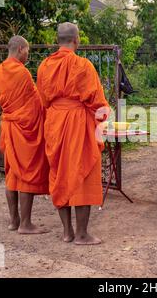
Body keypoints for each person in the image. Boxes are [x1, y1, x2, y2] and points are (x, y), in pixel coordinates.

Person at [37, 23, 110, 244]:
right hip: (78, 123)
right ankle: (82, 234)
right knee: (82, 175)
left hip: (55, 123)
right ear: (76, 40)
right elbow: (97, 103)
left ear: (57, 40)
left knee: (60, 173)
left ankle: (67, 231)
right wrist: (102, 119)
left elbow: (42, 99)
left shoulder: (44, 66)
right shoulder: (82, 65)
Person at [0, 35, 49, 234]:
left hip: (8, 126)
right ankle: (26, 224)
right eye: (27, 51)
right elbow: (36, 101)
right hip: (25, 128)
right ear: (21, 49)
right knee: (26, 173)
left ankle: (14, 221)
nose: (27, 55)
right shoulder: (22, 73)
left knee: (12, 174)